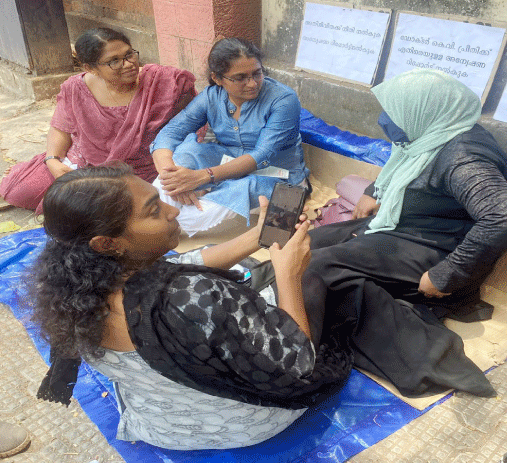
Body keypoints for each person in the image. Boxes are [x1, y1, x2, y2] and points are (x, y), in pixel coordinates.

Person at [32, 163, 351, 450]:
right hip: (250, 426)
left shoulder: (71, 289)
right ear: (108, 243)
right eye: (154, 211)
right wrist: (289, 275)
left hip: (161, 429)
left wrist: (259, 236)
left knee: (247, 268)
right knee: (313, 281)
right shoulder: (192, 297)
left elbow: (180, 264)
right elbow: (298, 366)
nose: (171, 212)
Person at [302, 68, 507, 398]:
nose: (386, 119)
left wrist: (446, 275)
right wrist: (375, 190)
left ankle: (298, 353)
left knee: (313, 268)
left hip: (437, 247)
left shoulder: (463, 158)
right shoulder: (431, 133)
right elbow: (404, 161)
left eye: (395, 112)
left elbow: (504, 220)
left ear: (425, 110)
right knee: (303, 246)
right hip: (409, 227)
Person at [0, 28, 196, 213]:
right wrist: (52, 160)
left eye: (129, 54)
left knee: (119, 211)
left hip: (146, 168)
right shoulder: (76, 88)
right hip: (86, 164)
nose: (128, 64)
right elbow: (60, 129)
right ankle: (12, 177)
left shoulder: (165, 82)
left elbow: (196, 125)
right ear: (90, 68)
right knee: (20, 192)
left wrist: (181, 164)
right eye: (113, 61)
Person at [150, 37, 309, 235]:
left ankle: (160, 227)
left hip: (275, 173)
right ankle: (155, 216)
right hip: (226, 162)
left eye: (257, 73)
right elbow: (171, 132)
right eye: (240, 77)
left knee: (238, 189)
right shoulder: (212, 96)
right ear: (217, 78)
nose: (252, 83)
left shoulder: (283, 99)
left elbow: (262, 155)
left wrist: (201, 177)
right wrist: (171, 177)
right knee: (187, 153)